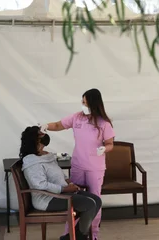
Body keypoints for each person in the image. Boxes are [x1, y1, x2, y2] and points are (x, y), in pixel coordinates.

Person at [40, 88, 115, 240]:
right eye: (82, 102)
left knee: (95, 200)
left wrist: (104, 149)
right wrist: (46, 126)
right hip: (78, 165)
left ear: (94, 104)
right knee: (73, 200)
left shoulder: (104, 123)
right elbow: (59, 125)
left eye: (85, 103)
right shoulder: (77, 118)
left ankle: (93, 234)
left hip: (95, 168)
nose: (83, 105)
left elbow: (110, 143)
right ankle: (69, 233)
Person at [20, 126, 102, 240]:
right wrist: (64, 189)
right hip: (47, 199)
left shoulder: (46, 155)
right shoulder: (31, 161)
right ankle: (80, 237)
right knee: (89, 204)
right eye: (40, 137)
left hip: (61, 193)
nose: (43, 137)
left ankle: (73, 237)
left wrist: (69, 182)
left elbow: (59, 173)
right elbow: (40, 185)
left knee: (96, 200)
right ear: (33, 141)